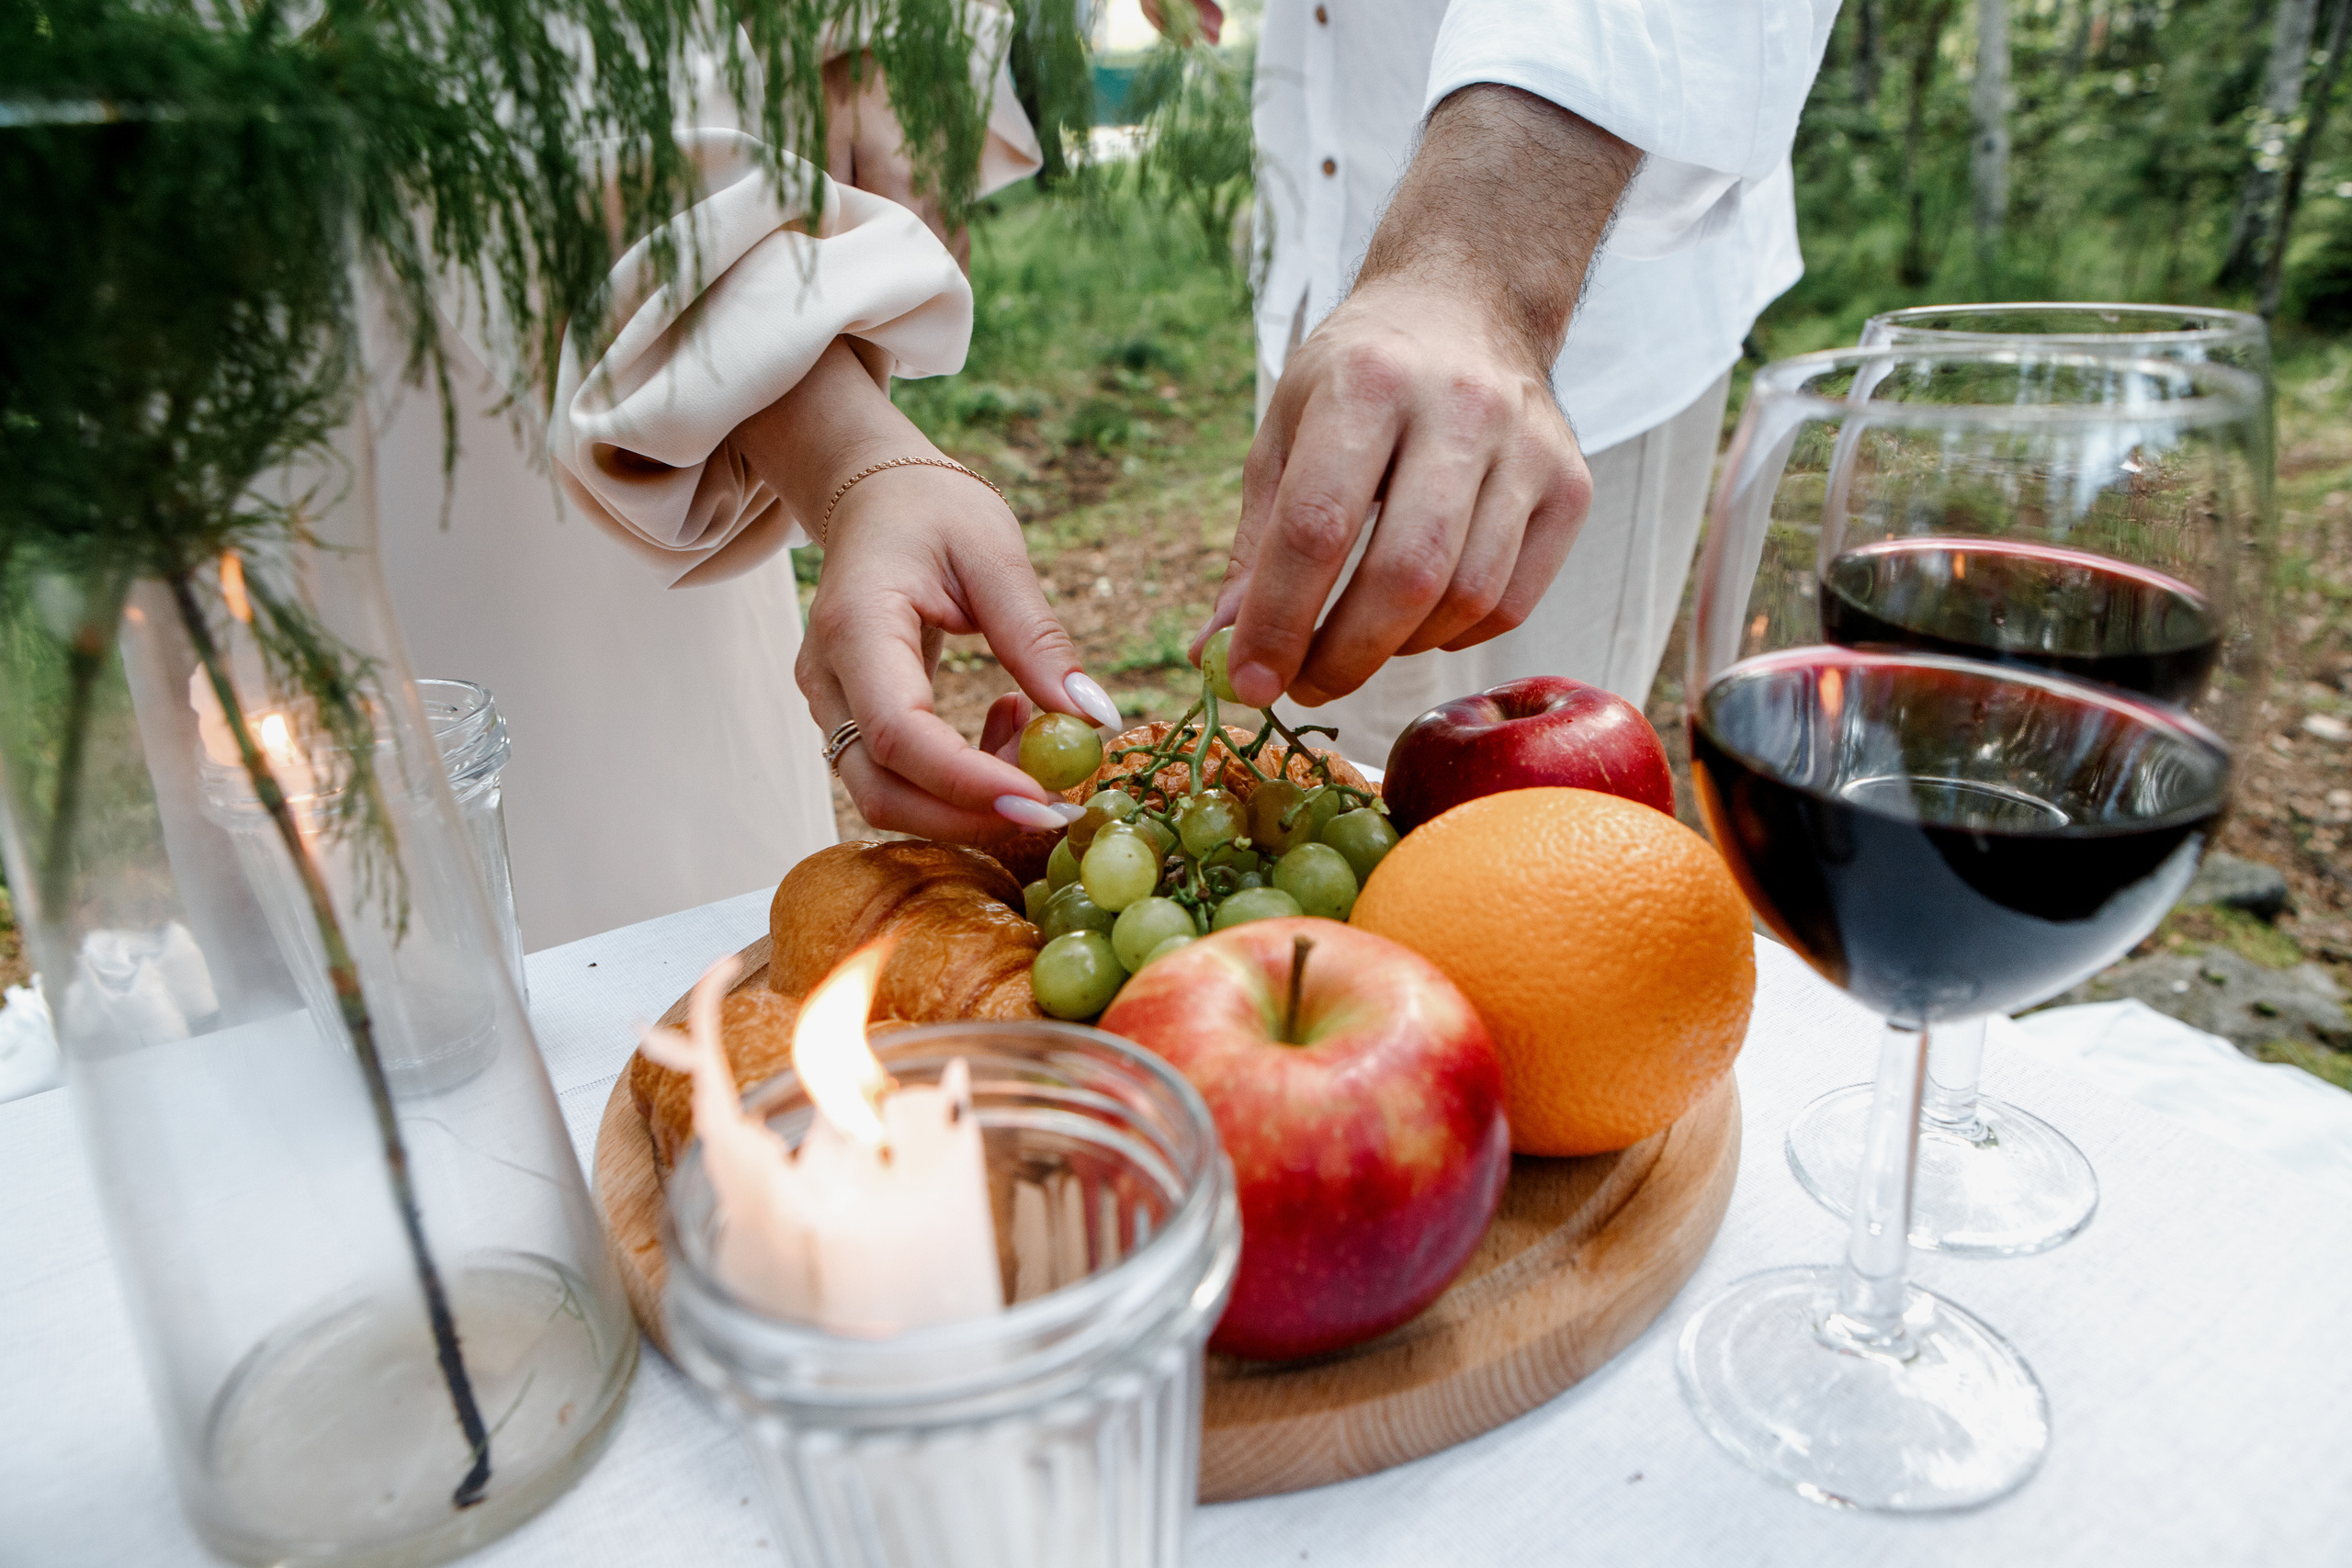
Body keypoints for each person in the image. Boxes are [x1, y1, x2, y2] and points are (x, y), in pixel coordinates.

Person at [377, 26, 1112, 949]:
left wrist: (883, 38)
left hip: (690, 176)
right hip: (371, 346)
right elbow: (493, 81)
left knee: (708, 909)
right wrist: (850, 457)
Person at [1188, 0, 1840, 761]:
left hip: (1585, 328)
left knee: (1539, 810)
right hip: (1317, 282)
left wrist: (1479, 270)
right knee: (1318, 775)